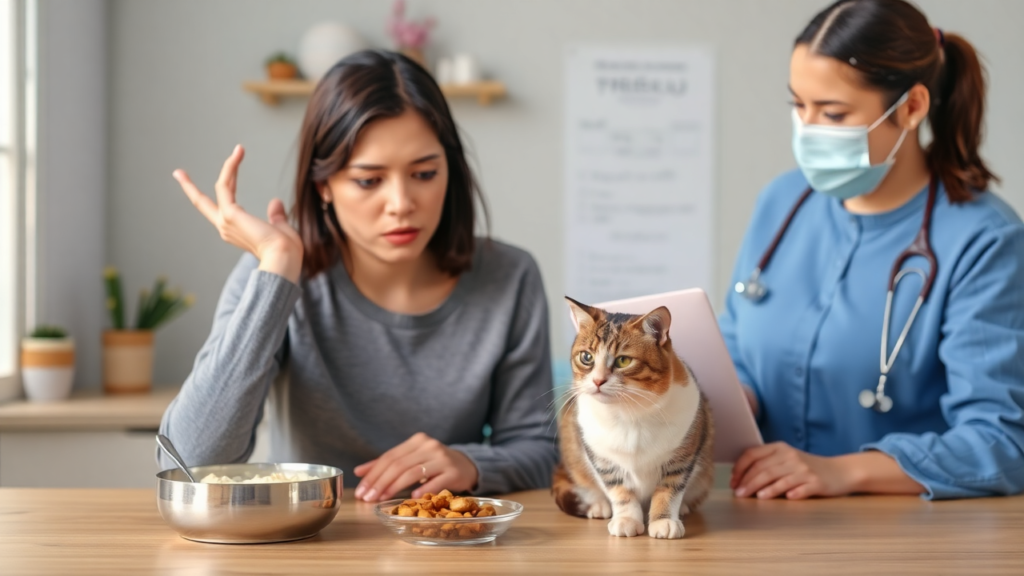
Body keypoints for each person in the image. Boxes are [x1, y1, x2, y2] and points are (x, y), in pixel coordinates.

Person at [160, 50, 557, 501]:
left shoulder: (510, 277)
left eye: (425, 173)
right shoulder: (272, 272)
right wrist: (275, 272)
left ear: (451, 170)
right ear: (324, 185)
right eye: (369, 181)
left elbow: (540, 451)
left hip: (448, 546)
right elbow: (189, 462)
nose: (402, 202)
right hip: (310, 545)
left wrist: (470, 463)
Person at [721, 0, 1024, 500]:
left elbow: (1001, 443)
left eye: (833, 112)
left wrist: (841, 472)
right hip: (762, 521)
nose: (808, 129)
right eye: (799, 106)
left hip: (905, 537)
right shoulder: (782, 201)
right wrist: (732, 397)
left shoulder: (984, 240)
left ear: (911, 107)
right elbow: (737, 342)